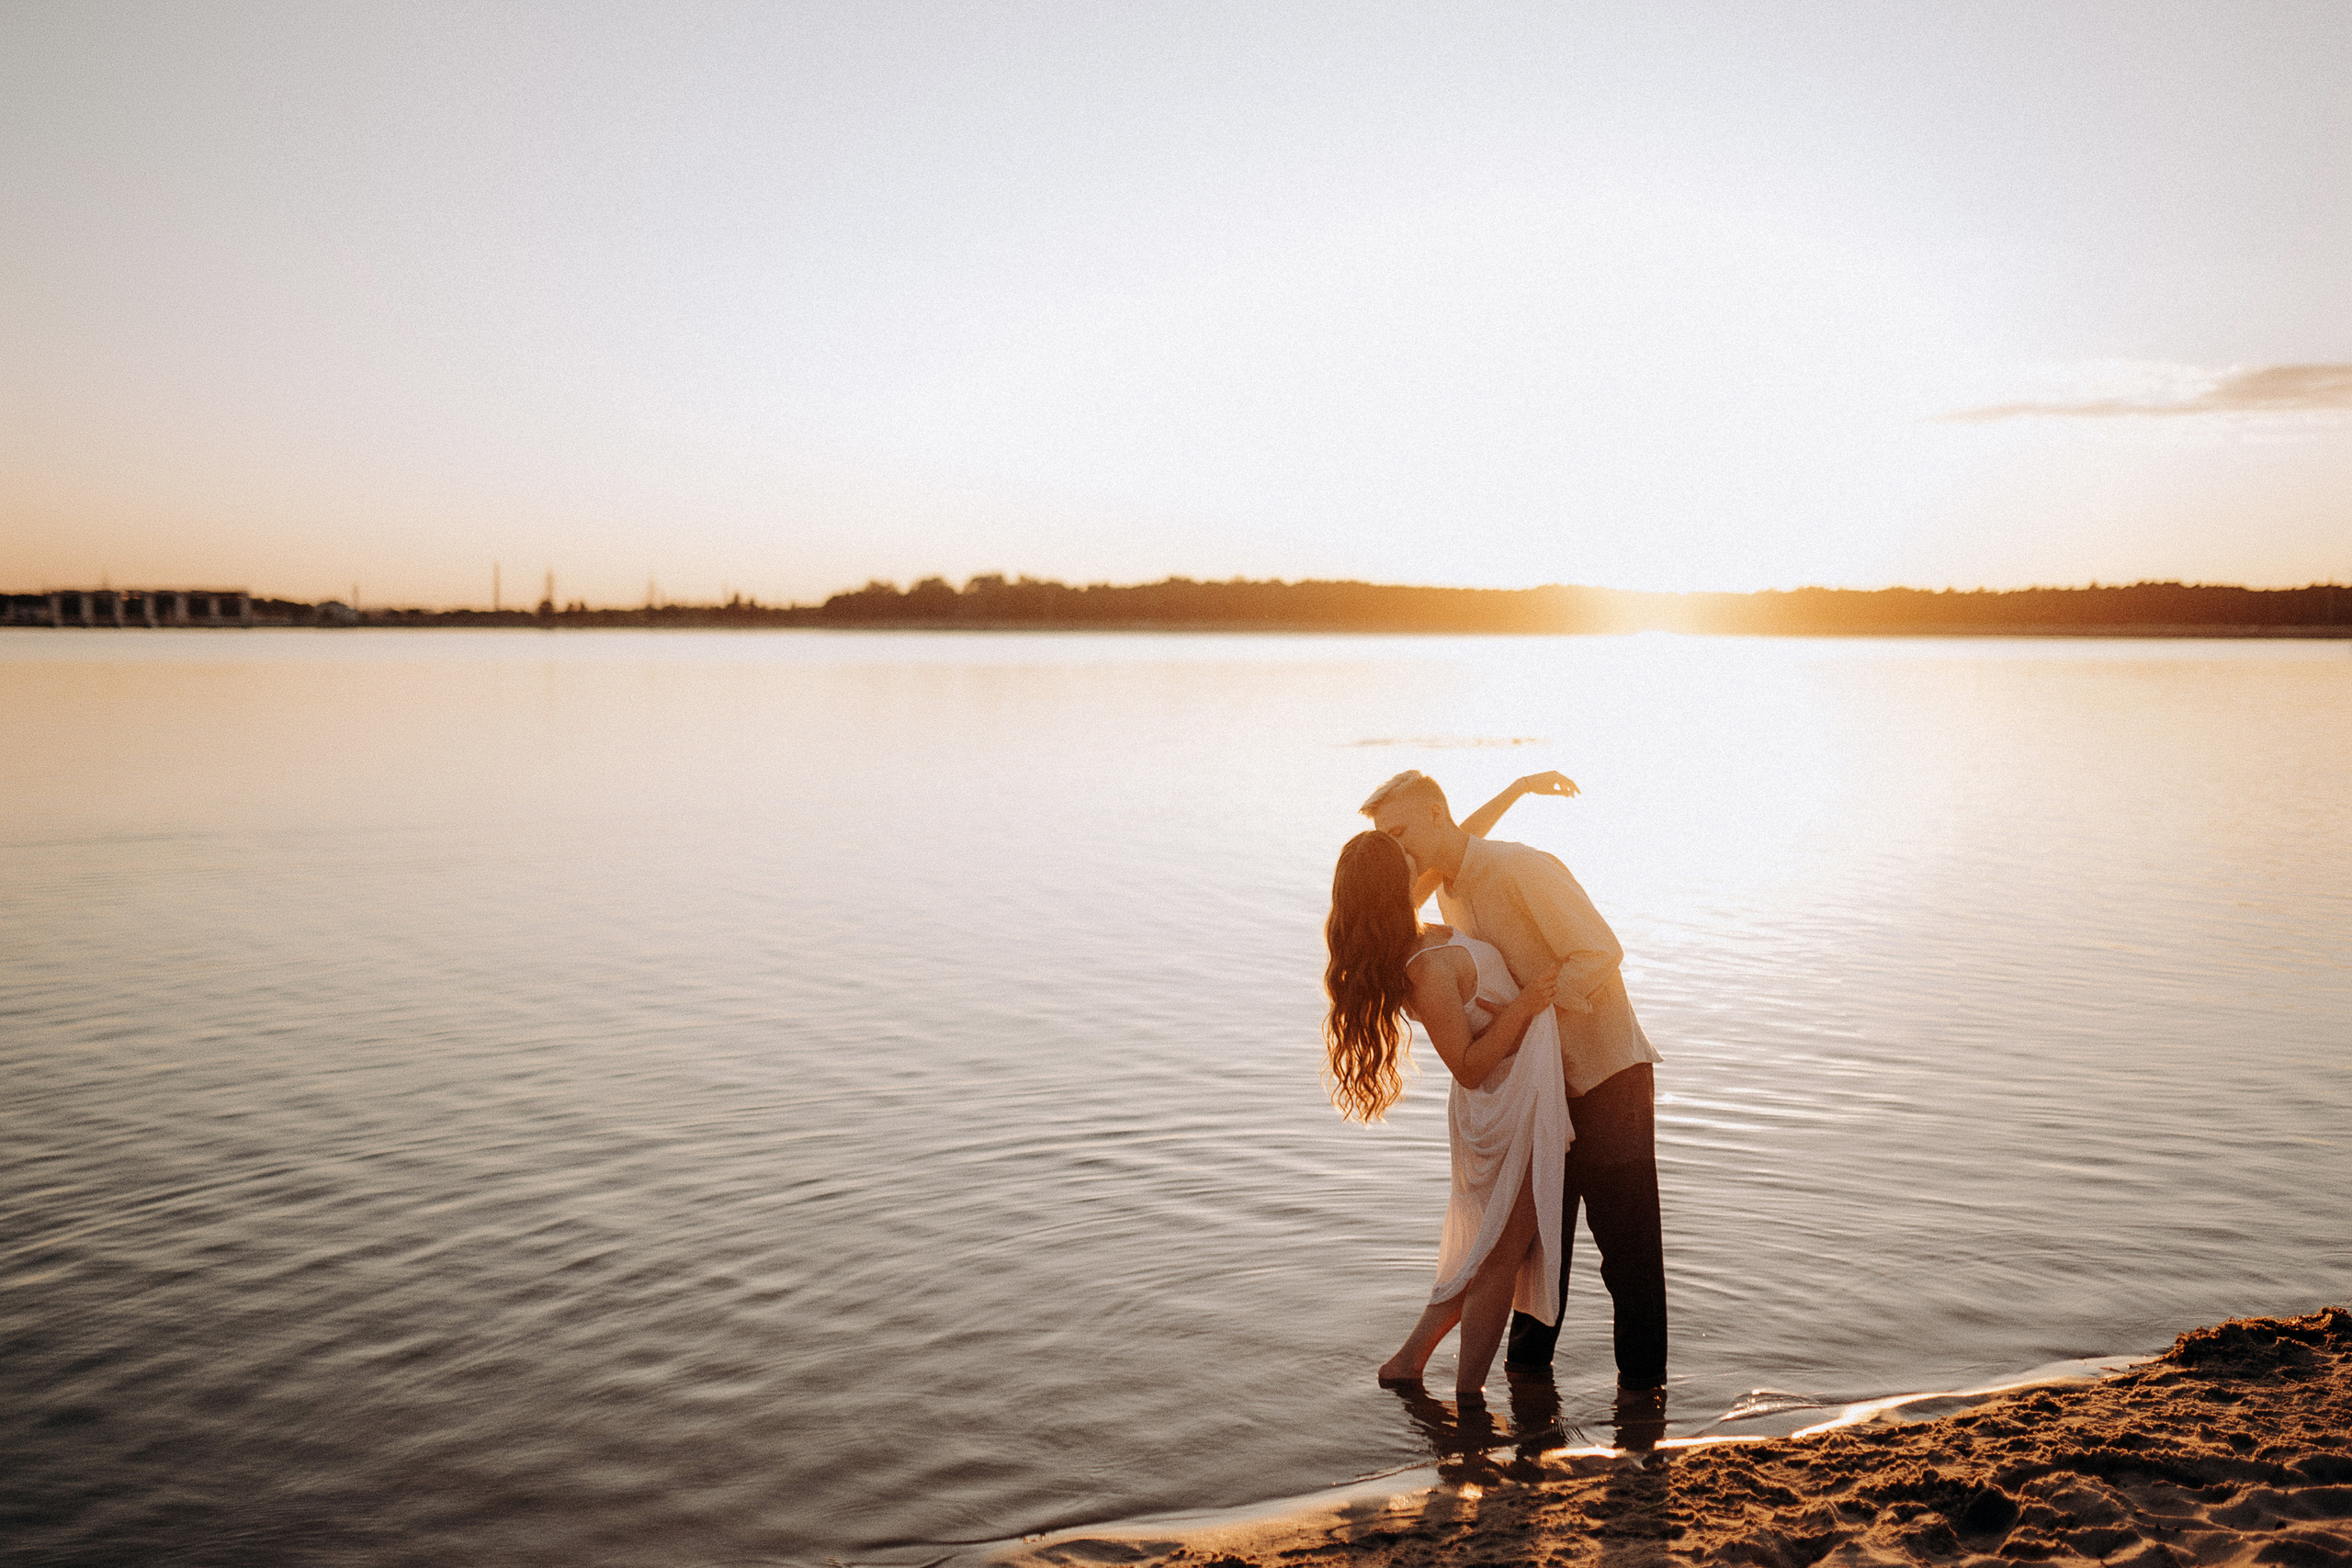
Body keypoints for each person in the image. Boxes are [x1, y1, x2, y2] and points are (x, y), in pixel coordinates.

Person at [1360, 769, 1668, 1398]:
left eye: (1399, 831)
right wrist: (1517, 788)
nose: (1395, 849)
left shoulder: (1522, 869)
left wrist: (1534, 1013)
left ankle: (1644, 1413)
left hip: (1606, 1074)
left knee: (1627, 1257)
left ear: (1436, 815)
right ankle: (1528, 1401)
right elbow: (1456, 842)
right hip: (1537, 1091)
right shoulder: (1444, 890)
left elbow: (1600, 952)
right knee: (1529, 1251)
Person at [1321, 829, 1566, 1397]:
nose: (1418, 857)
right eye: (1406, 857)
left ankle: (1408, 1362)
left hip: (1515, 1095)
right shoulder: (1426, 967)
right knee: (1501, 1256)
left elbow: (1461, 836)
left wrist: (1521, 789)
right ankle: (1468, 1399)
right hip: (1505, 1104)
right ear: (1392, 885)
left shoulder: (1418, 934)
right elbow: (1469, 1064)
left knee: (1496, 1250)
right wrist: (1528, 1004)